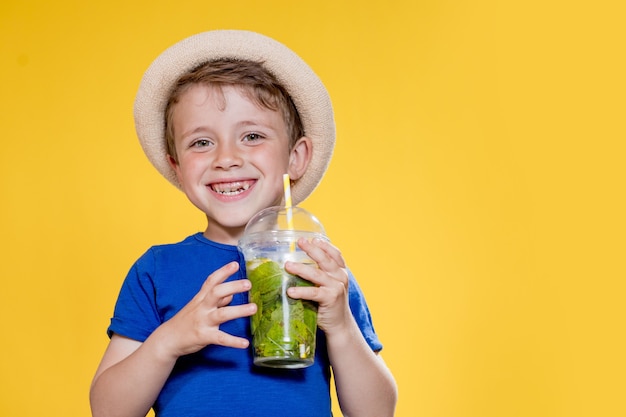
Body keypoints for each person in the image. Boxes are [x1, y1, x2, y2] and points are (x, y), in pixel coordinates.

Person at [90, 30, 397, 417]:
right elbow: (108, 410)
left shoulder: (318, 271)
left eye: (252, 136)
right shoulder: (156, 270)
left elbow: (376, 412)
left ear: (296, 157)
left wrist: (340, 326)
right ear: (177, 167)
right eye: (201, 142)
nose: (227, 158)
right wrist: (168, 341)